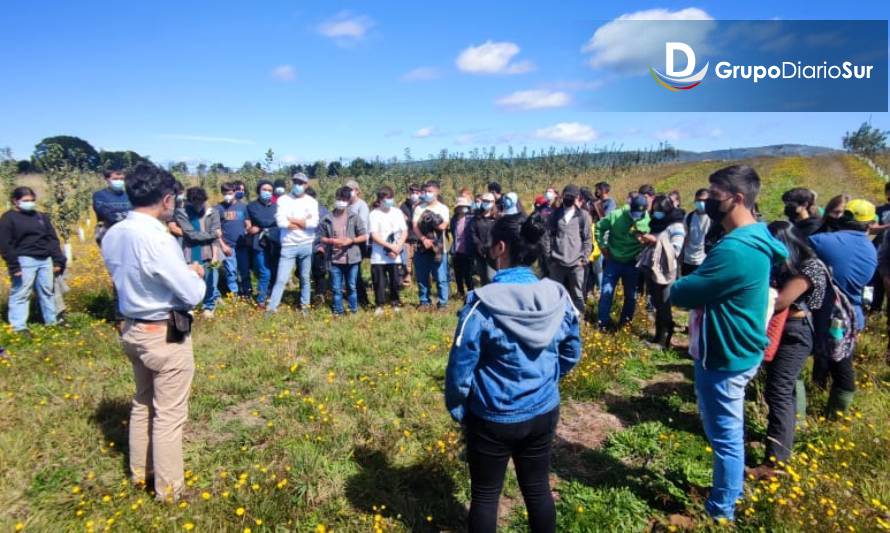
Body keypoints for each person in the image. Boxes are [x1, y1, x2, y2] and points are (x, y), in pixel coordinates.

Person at [445, 213, 581, 533]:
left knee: (486, 495)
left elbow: (460, 366)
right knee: (537, 489)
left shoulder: (481, 303)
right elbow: (572, 351)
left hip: (492, 414)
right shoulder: (558, 295)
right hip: (544, 409)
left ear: (500, 247)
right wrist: (548, 379)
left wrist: (459, 407)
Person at [671, 165, 788, 523]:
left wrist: (688, 285)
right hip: (739, 346)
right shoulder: (757, 238)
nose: (706, 200)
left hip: (725, 354)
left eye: (714, 194)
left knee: (726, 439)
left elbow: (682, 291)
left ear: (737, 198)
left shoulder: (736, 249)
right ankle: (725, 497)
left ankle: (721, 511)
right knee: (726, 433)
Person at [101, 162, 205, 502]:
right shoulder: (157, 238)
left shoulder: (114, 233)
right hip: (165, 330)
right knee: (169, 414)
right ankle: (169, 490)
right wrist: (194, 273)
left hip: (132, 327)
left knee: (142, 401)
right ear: (165, 199)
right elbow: (191, 295)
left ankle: (139, 472)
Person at [751, 221, 828, 477]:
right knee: (785, 388)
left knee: (779, 392)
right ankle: (784, 440)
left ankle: (775, 463)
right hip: (785, 331)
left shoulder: (809, 267)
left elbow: (782, 301)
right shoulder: (789, 265)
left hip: (795, 333)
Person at [808, 199, 877, 416]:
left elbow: (798, 243)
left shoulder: (825, 241)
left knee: (840, 366)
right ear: (870, 223)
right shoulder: (868, 247)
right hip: (853, 313)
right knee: (839, 358)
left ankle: (834, 415)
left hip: (832, 313)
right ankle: (828, 406)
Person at [0, 186, 67, 333]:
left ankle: (51, 322)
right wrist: (14, 266)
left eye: (32, 200)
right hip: (24, 260)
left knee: (47, 291)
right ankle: (19, 326)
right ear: (15, 201)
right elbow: (5, 244)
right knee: (21, 293)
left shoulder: (41, 217)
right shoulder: (8, 218)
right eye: (25, 200)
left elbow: (52, 239)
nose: (29, 203)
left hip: (45, 259)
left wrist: (58, 260)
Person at [595, 194, 650, 329]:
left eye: (640, 214)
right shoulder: (616, 215)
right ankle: (603, 322)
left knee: (631, 295)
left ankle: (625, 324)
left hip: (632, 262)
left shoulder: (648, 219)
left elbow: (652, 238)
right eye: (634, 213)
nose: (636, 217)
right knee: (606, 292)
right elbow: (599, 227)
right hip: (613, 260)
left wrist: (643, 245)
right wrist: (603, 247)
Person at [637, 194, 686, 349]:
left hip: (666, 271)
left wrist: (655, 240)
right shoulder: (656, 223)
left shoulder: (676, 226)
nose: (656, 213)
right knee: (658, 303)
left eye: (659, 210)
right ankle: (658, 337)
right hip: (653, 269)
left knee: (664, 304)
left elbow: (676, 250)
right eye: (655, 210)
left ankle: (665, 340)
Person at [267, 172, 319, 314]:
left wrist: (292, 219)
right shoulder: (283, 200)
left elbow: (313, 223)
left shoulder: (312, 202)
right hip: (288, 245)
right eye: (295, 182)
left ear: (306, 184)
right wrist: (303, 221)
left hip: (306, 244)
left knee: (305, 278)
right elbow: (281, 222)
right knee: (281, 279)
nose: (298, 185)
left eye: (301, 183)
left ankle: (305, 307)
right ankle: (272, 308)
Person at [544, 185, 592, 315]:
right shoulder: (555, 215)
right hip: (557, 263)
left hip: (576, 264)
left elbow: (588, 240)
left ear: (577, 198)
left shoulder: (583, 216)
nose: (568, 199)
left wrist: (584, 259)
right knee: (555, 294)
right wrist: (549, 257)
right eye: (566, 196)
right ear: (562, 196)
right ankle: (555, 318)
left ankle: (579, 319)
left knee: (577, 295)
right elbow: (547, 236)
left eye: (572, 197)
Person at [175, 187, 223, 318]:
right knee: (189, 280)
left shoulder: (212, 212)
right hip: (190, 252)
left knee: (210, 280)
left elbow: (216, 233)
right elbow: (191, 235)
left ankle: (209, 306)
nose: (198, 206)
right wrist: (212, 234)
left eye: (201, 202)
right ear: (189, 201)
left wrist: (215, 254)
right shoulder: (182, 213)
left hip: (208, 251)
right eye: (195, 203)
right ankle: (189, 306)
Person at [320, 187, 367, 316]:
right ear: (336, 199)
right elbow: (321, 237)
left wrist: (350, 240)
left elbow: (364, 236)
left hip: (351, 259)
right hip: (334, 259)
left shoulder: (354, 217)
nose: (341, 202)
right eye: (339, 199)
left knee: (351, 286)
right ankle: (338, 311)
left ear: (348, 201)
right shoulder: (327, 218)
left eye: (344, 199)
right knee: (336, 288)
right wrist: (332, 241)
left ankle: (353, 311)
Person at [412, 180, 450, 309]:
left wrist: (433, 219)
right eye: (425, 191)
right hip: (422, 247)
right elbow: (415, 226)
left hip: (438, 248)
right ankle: (424, 301)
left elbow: (444, 225)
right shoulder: (419, 208)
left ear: (437, 192)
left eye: (430, 192)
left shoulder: (443, 208)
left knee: (441, 277)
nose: (427, 194)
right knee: (422, 277)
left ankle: (443, 303)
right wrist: (423, 239)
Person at [369, 186, 407, 314]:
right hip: (379, 255)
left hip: (395, 254)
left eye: (391, 198)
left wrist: (398, 247)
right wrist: (390, 247)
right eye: (386, 199)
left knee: (395, 281)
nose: (389, 201)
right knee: (379, 281)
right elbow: (374, 235)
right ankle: (379, 304)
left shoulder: (397, 212)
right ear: (379, 200)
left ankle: (395, 302)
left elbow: (404, 231)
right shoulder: (374, 214)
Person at [216, 182, 252, 298]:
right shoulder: (218, 208)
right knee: (231, 272)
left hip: (241, 245)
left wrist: (248, 230)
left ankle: (247, 293)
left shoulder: (243, 207)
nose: (228, 195)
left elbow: (248, 223)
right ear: (222, 193)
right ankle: (234, 295)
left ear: (235, 192)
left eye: (230, 193)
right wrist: (223, 245)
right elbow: (216, 229)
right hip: (228, 246)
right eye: (225, 193)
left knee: (245, 271)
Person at [246, 180, 278, 307]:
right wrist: (270, 225)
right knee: (265, 272)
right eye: (264, 190)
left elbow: (281, 222)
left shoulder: (277, 207)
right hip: (259, 243)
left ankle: (270, 296)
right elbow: (263, 220)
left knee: (274, 271)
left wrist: (260, 227)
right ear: (259, 191)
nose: (267, 192)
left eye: (270, 190)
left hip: (275, 243)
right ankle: (261, 300)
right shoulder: (252, 206)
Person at [345, 179, 371, 307]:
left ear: (356, 190)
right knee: (349, 271)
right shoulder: (346, 205)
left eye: (351, 189)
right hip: (347, 242)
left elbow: (363, 225)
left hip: (358, 242)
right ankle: (353, 296)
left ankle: (363, 299)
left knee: (356, 272)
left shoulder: (362, 205)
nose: (349, 192)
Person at [92, 169, 132, 244]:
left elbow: (137, 211)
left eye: (121, 179)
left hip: (129, 233)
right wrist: (128, 216)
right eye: (115, 179)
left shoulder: (129, 195)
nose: (119, 181)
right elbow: (107, 214)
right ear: (107, 179)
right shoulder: (100, 195)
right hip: (108, 232)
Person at [306, 186, 329, 305]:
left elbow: (328, 230)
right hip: (304, 246)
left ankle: (319, 295)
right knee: (303, 272)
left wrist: (323, 246)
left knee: (319, 272)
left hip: (318, 247)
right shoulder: (300, 210)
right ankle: (307, 295)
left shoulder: (323, 211)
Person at [681, 188, 712, 276]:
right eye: (699, 200)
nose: (701, 203)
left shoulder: (712, 219)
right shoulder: (689, 217)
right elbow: (684, 238)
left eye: (704, 200)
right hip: (688, 260)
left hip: (704, 260)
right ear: (695, 200)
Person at [450, 197, 476, 299]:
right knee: (458, 273)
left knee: (468, 273)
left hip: (467, 250)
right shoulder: (454, 219)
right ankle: (460, 291)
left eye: (464, 206)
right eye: (460, 206)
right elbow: (453, 233)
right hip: (456, 250)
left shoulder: (471, 218)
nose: (462, 208)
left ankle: (471, 292)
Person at [471, 193, 498, 286]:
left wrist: (490, 246)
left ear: (493, 202)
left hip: (493, 252)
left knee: (492, 277)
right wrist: (479, 246)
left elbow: (499, 233)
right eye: (484, 201)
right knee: (483, 276)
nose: (486, 203)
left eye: (488, 201)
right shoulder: (476, 217)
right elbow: (472, 232)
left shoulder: (497, 217)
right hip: (479, 252)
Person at [399, 184, 422, 286]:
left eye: (416, 193)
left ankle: (420, 279)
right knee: (407, 259)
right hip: (407, 237)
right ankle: (407, 279)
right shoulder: (403, 205)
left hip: (419, 237)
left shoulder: (423, 205)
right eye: (412, 193)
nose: (414, 195)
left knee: (419, 259)